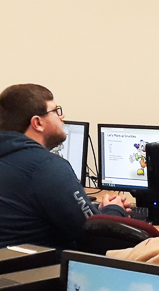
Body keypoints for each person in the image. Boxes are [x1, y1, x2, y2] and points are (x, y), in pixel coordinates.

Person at [0, 83, 128, 249]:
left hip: (11, 261)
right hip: (45, 263)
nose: (62, 116)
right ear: (37, 122)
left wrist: (96, 210)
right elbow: (95, 235)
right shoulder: (46, 166)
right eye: (56, 111)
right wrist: (115, 210)